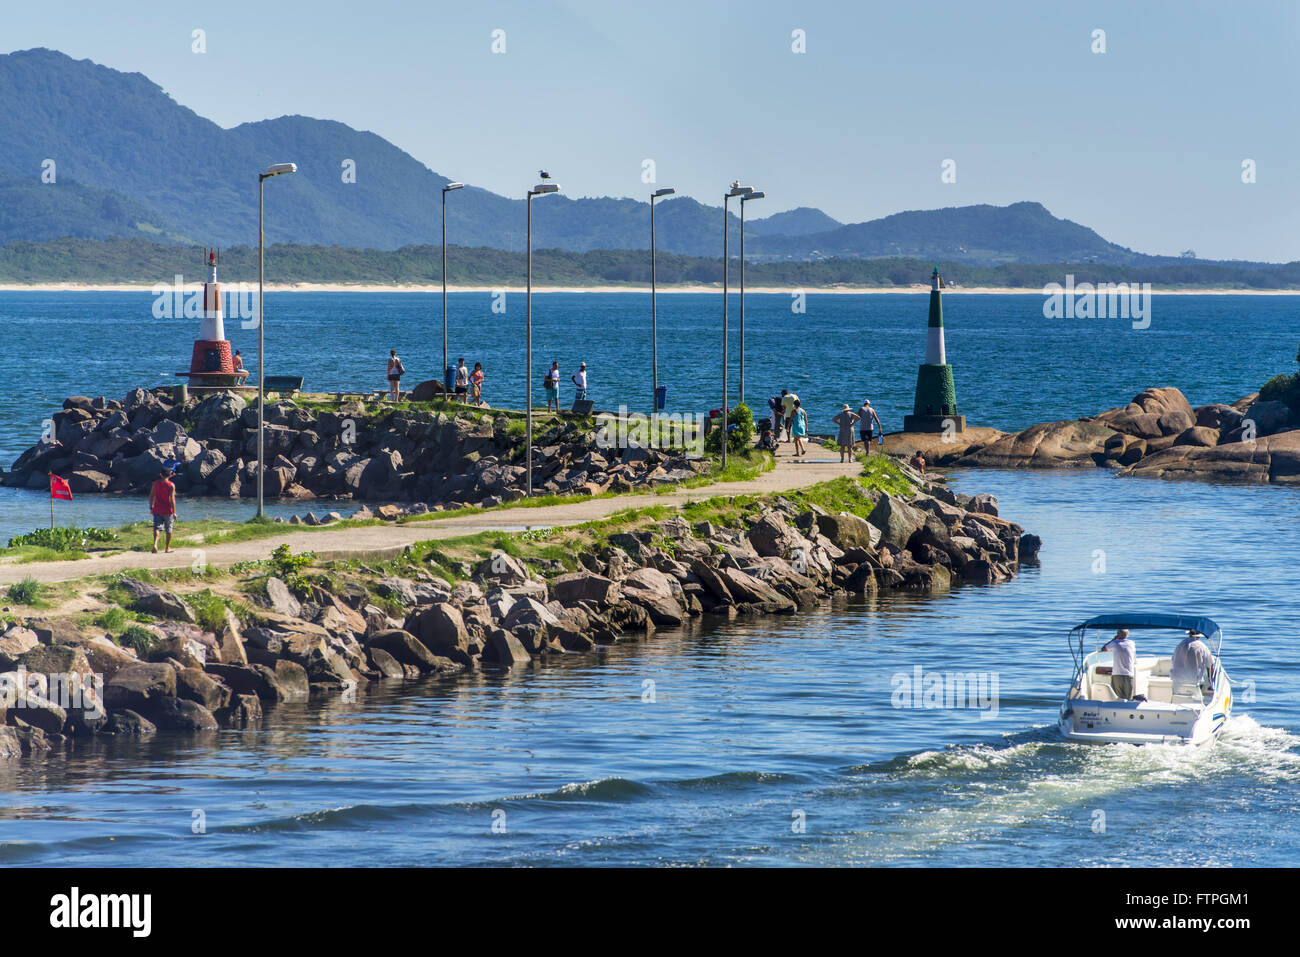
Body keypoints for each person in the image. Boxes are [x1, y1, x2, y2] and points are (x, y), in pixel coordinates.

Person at [1171, 630, 1215, 698]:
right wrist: (1211, 682)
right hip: (1194, 681)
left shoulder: (1180, 645)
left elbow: (1173, 660)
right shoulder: (1202, 647)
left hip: (1177, 679)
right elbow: (1210, 666)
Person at [1100, 628, 1136, 700]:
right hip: (1129, 674)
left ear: (1117, 635)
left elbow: (1103, 649)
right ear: (1127, 635)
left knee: (1118, 698)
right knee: (1129, 698)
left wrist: (1113, 639)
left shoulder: (1114, 643)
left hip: (1117, 674)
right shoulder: (1131, 643)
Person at [149, 467, 177, 554]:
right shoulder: (171, 485)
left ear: (160, 475)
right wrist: (174, 512)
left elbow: (151, 496)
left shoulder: (155, 484)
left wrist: (151, 507)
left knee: (157, 528)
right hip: (168, 510)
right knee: (168, 529)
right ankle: (167, 548)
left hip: (157, 509)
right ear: (170, 475)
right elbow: (172, 499)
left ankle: (155, 544)